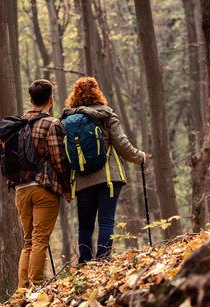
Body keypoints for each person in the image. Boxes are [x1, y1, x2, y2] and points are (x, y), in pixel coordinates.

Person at [61, 77, 146, 264]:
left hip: (82, 180)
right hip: (108, 177)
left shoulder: (67, 121)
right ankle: (103, 262)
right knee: (106, 221)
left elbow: (65, 155)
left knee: (85, 227)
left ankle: (84, 264)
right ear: (97, 92)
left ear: (74, 95)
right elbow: (122, 144)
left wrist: (66, 184)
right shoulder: (106, 115)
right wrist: (139, 156)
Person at [15, 79, 72, 289]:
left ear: (31, 100)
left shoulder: (18, 123)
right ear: (52, 99)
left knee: (28, 241)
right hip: (44, 189)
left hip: (20, 189)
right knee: (40, 240)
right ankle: (36, 287)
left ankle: (23, 290)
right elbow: (58, 159)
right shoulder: (51, 123)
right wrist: (67, 188)